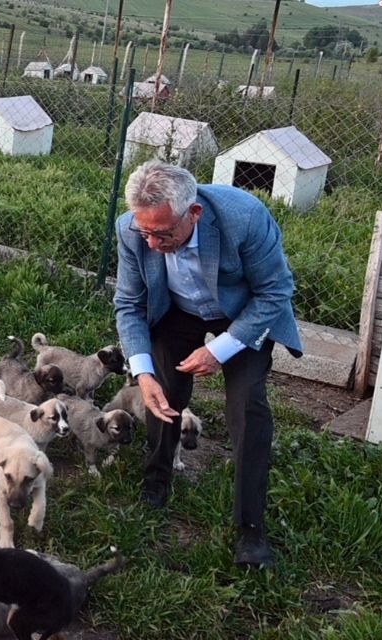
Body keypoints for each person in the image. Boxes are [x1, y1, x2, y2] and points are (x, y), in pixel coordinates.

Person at [113, 160, 302, 568]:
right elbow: (129, 303)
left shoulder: (244, 217)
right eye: (145, 232)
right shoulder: (132, 228)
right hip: (177, 311)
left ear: (193, 213)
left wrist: (221, 350)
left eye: (162, 234)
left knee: (248, 406)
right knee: (164, 392)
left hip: (242, 310)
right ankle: (156, 480)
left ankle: (251, 529)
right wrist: (142, 373)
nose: (151, 244)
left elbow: (276, 291)